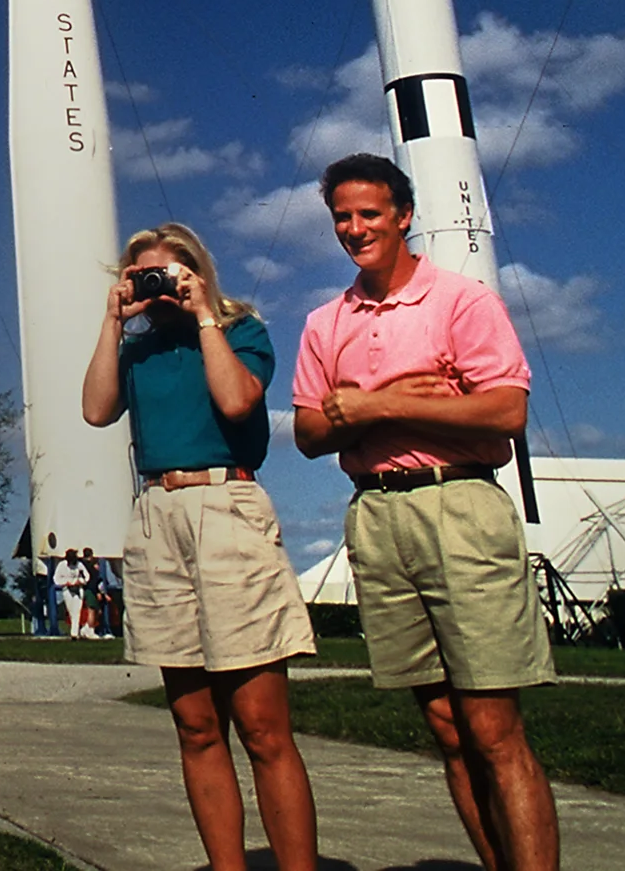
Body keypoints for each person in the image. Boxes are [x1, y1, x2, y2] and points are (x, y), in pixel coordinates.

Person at [293, 153, 558, 871]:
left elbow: (503, 411)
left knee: (492, 724)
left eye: (369, 213)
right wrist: (421, 400)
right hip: (379, 515)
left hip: (460, 504)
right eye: (343, 216)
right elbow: (311, 432)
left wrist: (378, 403)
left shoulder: (461, 301)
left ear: (403, 215)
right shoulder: (327, 321)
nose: (355, 228)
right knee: (444, 724)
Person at [81, 221, 320, 871]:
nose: (155, 290)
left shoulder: (242, 331)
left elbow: (238, 400)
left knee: (263, 726)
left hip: (227, 503)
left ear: (196, 271)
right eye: (142, 278)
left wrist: (204, 315)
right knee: (194, 724)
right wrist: (113, 320)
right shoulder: (137, 349)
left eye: (165, 275)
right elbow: (96, 409)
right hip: (159, 513)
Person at [52, 548, 88, 639]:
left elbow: (86, 576)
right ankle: (75, 630)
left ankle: (74, 633)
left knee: (77, 611)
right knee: (71, 611)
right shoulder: (62, 565)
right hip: (67, 590)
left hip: (78, 589)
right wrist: (65, 582)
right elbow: (56, 579)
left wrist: (80, 581)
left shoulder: (79, 565)